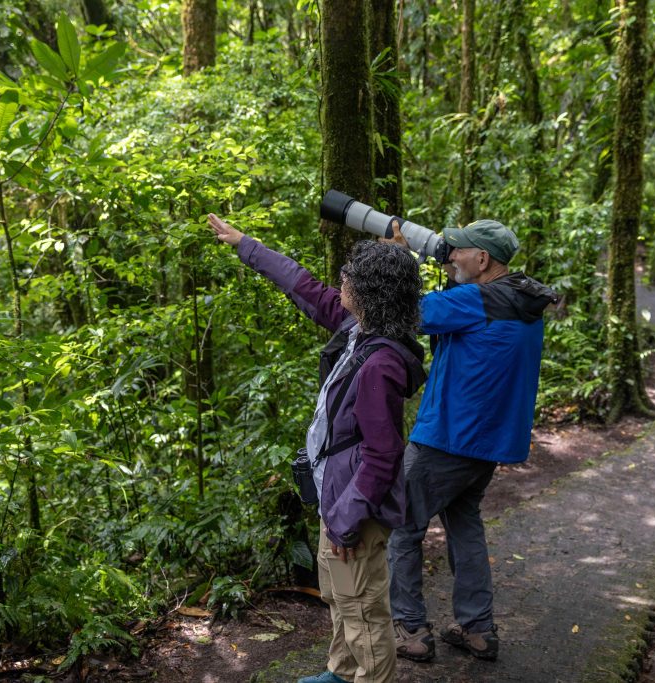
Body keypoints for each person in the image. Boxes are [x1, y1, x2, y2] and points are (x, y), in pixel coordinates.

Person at [207, 213, 427, 683]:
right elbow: (304, 286)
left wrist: (345, 522)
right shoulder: (357, 329)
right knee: (340, 595)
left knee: (364, 612)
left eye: (350, 277)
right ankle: (341, 672)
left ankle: (367, 675)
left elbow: (383, 455)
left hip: (355, 508)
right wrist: (246, 245)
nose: (340, 280)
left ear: (370, 293)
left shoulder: (380, 363)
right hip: (337, 492)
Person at [383, 219, 559, 663]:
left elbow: (410, 313)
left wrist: (402, 258)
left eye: (457, 251)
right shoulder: (520, 298)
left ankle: (411, 628)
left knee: (403, 526)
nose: (448, 257)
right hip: (486, 443)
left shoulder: (478, 299)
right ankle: (477, 628)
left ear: (482, 260)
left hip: (448, 438)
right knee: (464, 527)